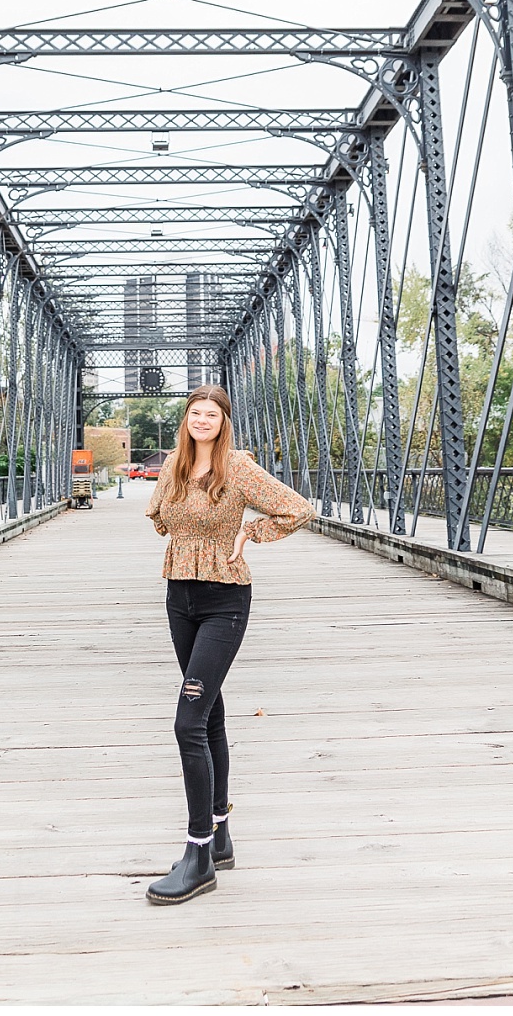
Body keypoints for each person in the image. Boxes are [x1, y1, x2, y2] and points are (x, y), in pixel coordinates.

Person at [141, 384, 314, 906]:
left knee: (187, 721)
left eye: (211, 414)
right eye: (195, 413)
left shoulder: (237, 467)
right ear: (186, 419)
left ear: (223, 421)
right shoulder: (174, 463)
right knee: (209, 712)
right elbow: (157, 518)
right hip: (179, 593)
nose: (202, 420)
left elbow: (297, 509)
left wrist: (249, 535)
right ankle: (219, 837)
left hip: (224, 598)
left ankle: (197, 855)